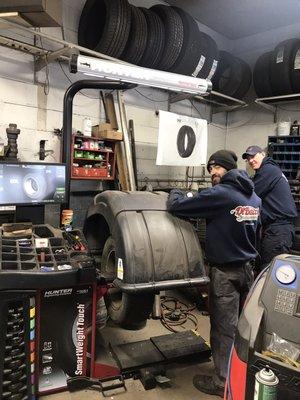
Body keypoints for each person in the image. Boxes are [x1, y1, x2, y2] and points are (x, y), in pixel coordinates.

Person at [167, 150, 261, 397]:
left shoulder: (221, 195)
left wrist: (177, 191)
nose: (212, 174)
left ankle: (222, 382)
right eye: (209, 169)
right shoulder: (254, 198)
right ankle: (240, 373)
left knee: (223, 328)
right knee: (243, 327)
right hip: (248, 271)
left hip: (226, 273)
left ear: (225, 168)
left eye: (214, 168)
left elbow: (178, 206)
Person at [242, 145, 297, 268]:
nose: (251, 161)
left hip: (278, 229)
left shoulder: (268, 170)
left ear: (262, 154)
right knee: (268, 268)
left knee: (269, 270)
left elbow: (250, 194)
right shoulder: (269, 170)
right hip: (277, 229)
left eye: (253, 156)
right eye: (248, 159)